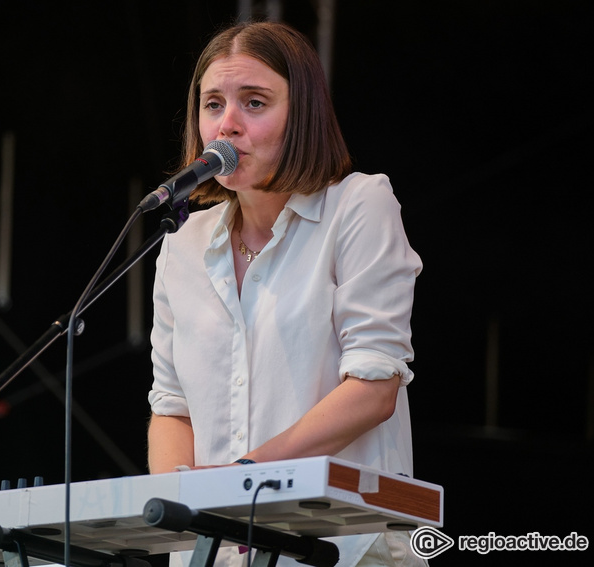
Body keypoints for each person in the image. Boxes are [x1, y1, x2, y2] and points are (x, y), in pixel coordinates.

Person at [146, 20, 426, 567]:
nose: (227, 125)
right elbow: (171, 408)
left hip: (340, 545)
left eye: (254, 103)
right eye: (212, 104)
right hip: (214, 553)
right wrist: (182, 505)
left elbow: (374, 386)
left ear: (303, 115)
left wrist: (243, 480)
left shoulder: (357, 206)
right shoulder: (182, 247)